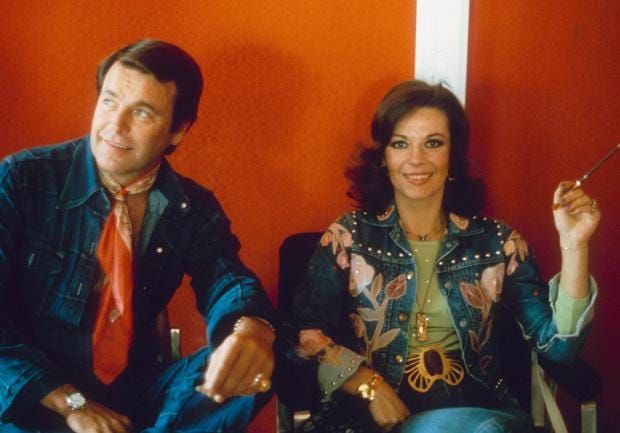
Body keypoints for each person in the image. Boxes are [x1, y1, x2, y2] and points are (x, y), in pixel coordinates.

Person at [290, 80, 600, 433]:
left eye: (433, 143)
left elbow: (559, 348)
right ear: (384, 157)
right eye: (400, 143)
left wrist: (575, 243)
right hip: (372, 421)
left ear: (453, 156)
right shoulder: (349, 237)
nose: (416, 159)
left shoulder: (498, 242)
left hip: (479, 417)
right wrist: (368, 384)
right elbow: (303, 333)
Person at [0, 39, 276, 433]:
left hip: (135, 393)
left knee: (263, 356)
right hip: (33, 395)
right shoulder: (24, 178)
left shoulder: (191, 206)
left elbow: (227, 279)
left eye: (142, 112)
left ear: (177, 131)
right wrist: (72, 404)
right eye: (109, 102)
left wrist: (252, 329)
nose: (115, 125)